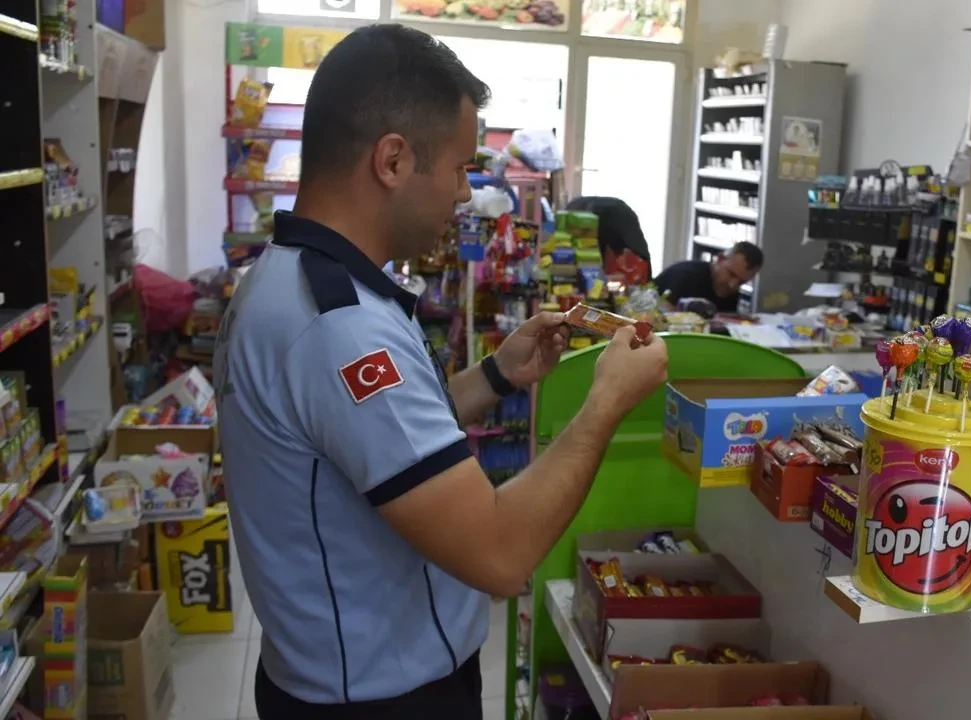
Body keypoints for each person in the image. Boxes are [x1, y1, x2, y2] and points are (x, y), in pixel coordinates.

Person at [212, 25, 668, 720]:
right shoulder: (339, 329)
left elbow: (374, 443)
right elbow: (500, 553)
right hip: (381, 701)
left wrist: (496, 376)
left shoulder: (290, 282)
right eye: (459, 169)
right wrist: (606, 400)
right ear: (393, 160)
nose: (464, 193)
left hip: (338, 680)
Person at [654, 242, 764, 313]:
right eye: (731, 274)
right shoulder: (685, 276)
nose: (733, 285)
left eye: (741, 282)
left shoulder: (731, 290)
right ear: (720, 259)